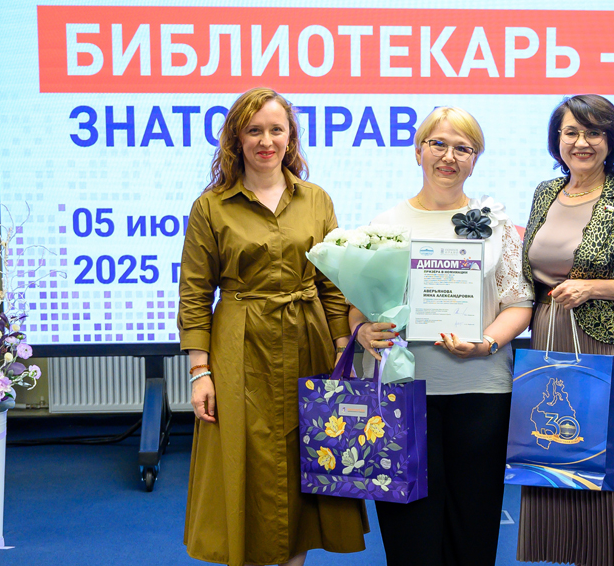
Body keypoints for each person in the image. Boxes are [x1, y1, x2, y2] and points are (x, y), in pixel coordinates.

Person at [177, 88, 368, 566]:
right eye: (254, 130)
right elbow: (195, 293)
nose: (266, 141)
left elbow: (332, 283)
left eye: (276, 130)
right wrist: (200, 371)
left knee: (309, 460)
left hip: (309, 341)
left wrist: (342, 352)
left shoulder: (316, 199)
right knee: (247, 461)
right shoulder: (211, 206)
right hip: (239, 348)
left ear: (290, 137)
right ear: (236, 139)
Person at [350, 106, 533, 566]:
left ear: (475, 159)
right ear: (418, 151)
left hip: (481, 389)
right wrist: (361, 329)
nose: (449, 156)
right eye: (438, 144)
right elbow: (359, 305)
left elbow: (519, 302)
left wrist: (486, 343)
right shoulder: (384, 225)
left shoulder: (496, 225)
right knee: (408, 530)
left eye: (462, 148)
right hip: (402, 393)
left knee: (473, 525)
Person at [518, 94, 614, 566]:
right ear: (557, 140)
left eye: (593, 132)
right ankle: (566, 552)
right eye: (571, 132)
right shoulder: (546, 192)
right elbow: (530, 272)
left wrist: (595, 288)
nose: (581, 142)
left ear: (611, 140)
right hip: (549, 336)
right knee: (552, 450)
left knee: (610, 458)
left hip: (610, 346)